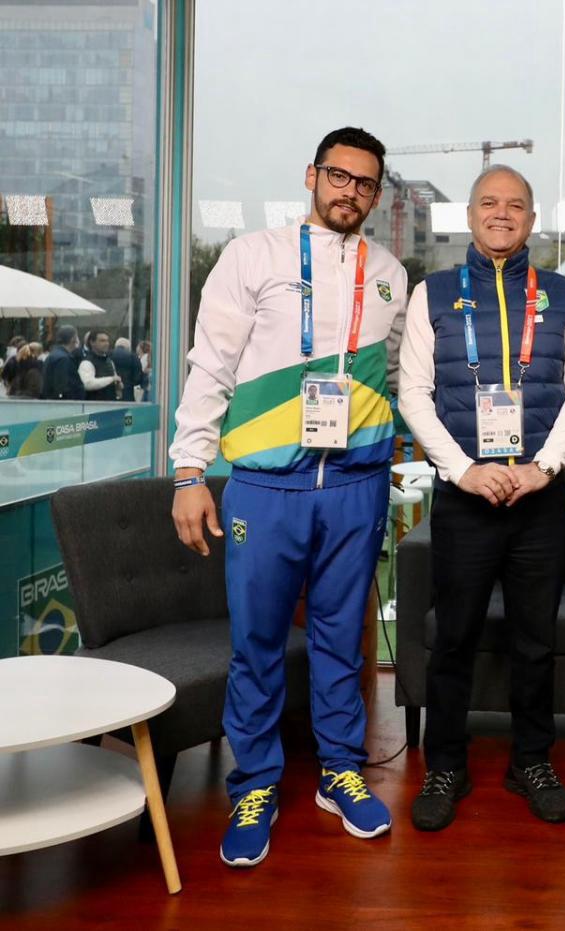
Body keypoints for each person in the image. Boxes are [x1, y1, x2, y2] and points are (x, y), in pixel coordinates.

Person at [169, 126, 407, 868]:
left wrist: (398, 445)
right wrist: (189, 472)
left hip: (357, 487)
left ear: (376, 194)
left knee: (341, 640)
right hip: (266, 488)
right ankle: (256, 783)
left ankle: (340, 770)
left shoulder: (390, 272)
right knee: (258, 642)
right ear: (312, 175)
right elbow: (211, 364)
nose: (350, 192)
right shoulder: (254, 256)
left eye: (365, 183)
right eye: (339, 176)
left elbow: (398, 373)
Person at [398, 164, 565, 832]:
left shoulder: (561, 293)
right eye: (490, 202)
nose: (502, 213)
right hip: (466, 500)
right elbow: (413, 393)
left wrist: (547, 466)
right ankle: (445, 765)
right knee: (453, 639)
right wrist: (462, 470)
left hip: (539, 502)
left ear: (532, 219)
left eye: (516, 204)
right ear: (471, 216)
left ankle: (531, 761)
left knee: (535, 642)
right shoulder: (432, 294)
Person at [40, 325, 85, 400]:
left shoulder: (54, 355)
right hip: (64, 403)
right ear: (73, 339)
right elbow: (63, 387)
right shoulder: (64, 359)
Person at [79, 330, 121, 401]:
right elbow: (88, 384)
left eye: (107, 341)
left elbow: (115, 379)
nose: (106, 343)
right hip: (94, 404)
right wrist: (111, 379)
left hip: (111, 403)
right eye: (102, 341)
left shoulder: (109, 361)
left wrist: (118, 386)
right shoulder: (86, 362)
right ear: (92, 342)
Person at [112, 336, 145, 402]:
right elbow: (138, 377)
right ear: (128, 347)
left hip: (109, 392)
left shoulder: (107, 354)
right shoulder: (133, 356)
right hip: (127, 391)